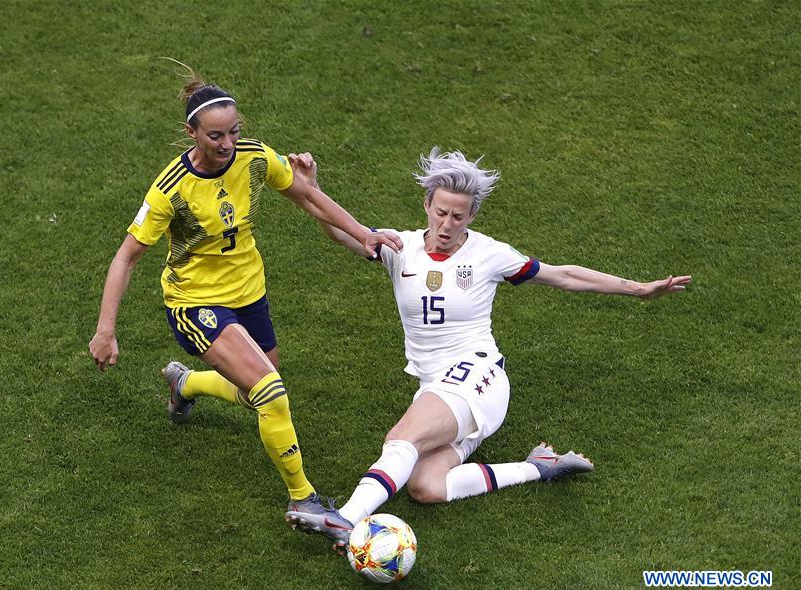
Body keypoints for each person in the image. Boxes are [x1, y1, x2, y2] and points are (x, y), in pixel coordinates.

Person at [285, 148, 691, 549]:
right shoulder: (400, 248)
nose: (447, 224)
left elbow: (563, 275)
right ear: (426, 205)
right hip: (437, 386)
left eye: (458, 216)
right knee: (427, 486)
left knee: (402, 439)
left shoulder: (489, 255)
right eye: (440, 212)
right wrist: (312, 189)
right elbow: (341, 233)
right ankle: (537, 468)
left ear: (472, 216)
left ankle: (345, 518)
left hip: (477, 375)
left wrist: (638, 289)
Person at [88, 66, 401, 520]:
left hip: (249, 293)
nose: (227, 143)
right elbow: (126, 258)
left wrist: (362, 232)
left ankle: (185, 382)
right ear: (190, 131)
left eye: (234, 131)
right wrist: (105, 330)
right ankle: (303, 500)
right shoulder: (170, 191)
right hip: (196, 303)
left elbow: (306, 195)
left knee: (258, 386)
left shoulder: (255, 157)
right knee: (271, 392)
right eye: (215, 135)